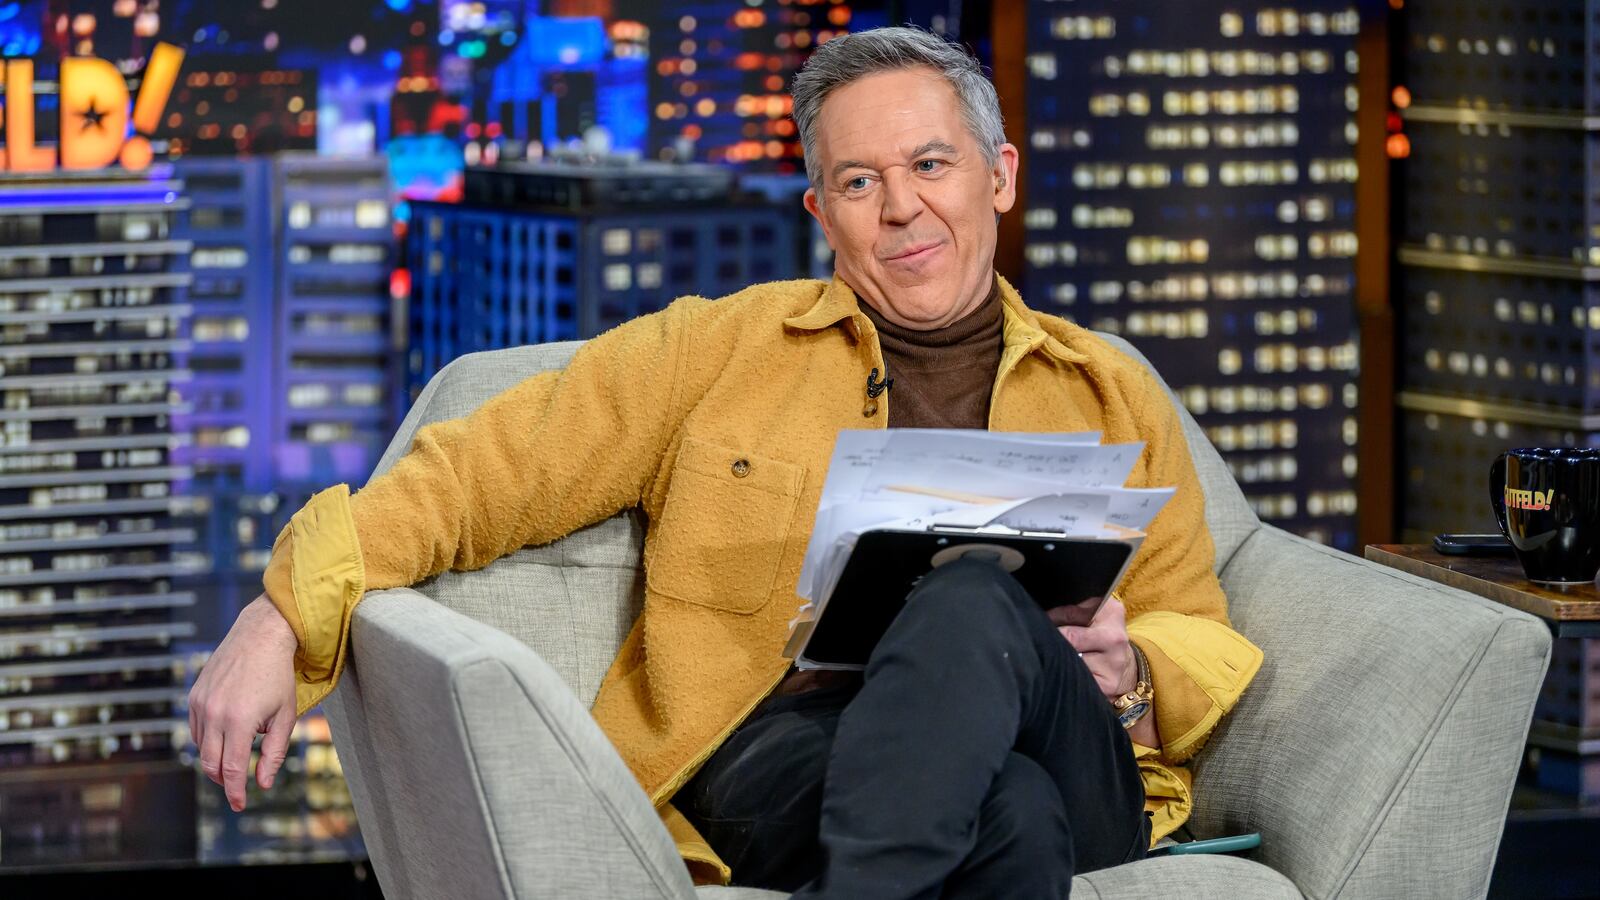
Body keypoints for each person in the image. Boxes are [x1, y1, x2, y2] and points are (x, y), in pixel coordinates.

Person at [188, 26, 1263, 897]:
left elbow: (1195, 625)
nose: (901, 208)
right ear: (821, 212)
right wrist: (279, 612)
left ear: (997, 177)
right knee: (1012, 823)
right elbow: (478, 473)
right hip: (785, 763)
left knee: (977, 606)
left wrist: (1133, 674)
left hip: (1082, 760)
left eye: (930, 165)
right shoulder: (720, 351)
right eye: (857, 180)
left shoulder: (1108, 388)